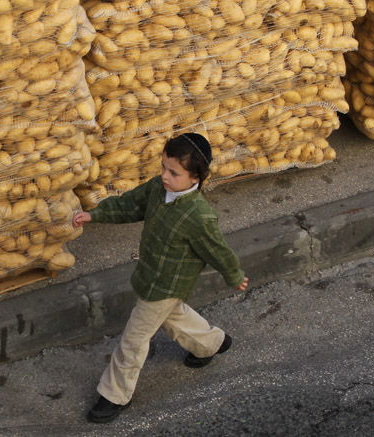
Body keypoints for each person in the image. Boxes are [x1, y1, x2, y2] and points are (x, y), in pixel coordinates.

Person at [72, 133, 249, 424]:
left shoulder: (198, 216)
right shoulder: (158, 188)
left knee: (134, 339)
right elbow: (130, 205)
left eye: (174, 173)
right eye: (163, 168)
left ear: (196, 178)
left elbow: (217, 249)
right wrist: (96, 215)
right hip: (150, 274)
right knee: (173, 316)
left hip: (167, 284)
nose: (165, 177)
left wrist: (234, 275)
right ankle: (212, 343)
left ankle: (114, 395)